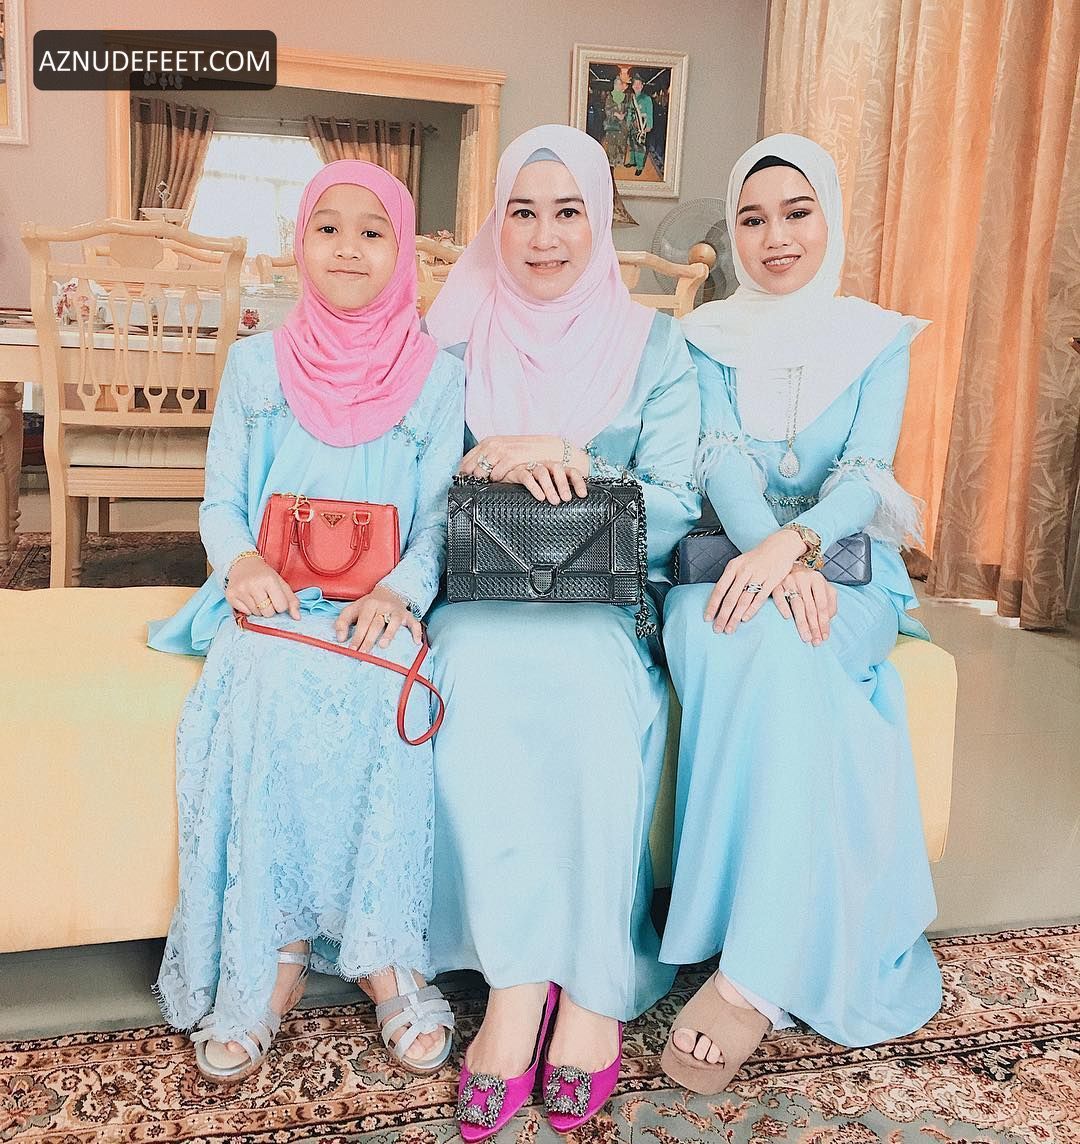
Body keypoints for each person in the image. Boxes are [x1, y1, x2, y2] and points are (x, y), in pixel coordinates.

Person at [147, 160, 464, 1083]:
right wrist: (242, 564)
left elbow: (440, 520)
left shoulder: (438, 378)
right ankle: (273, 954)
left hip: (381, 600)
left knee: (394, 682)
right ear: (299, 244)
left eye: (373, 231)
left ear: (403, 252)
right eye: (328, 228)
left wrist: (400, 593)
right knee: (273, 679)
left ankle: (384, 955)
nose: (349, 249)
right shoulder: (255, 365)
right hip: (274, 603)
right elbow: (218, 504)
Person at [424, 124, 699, 1137]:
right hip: (478, 600)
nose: (544, 237)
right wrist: (482, 460)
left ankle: (590, 985)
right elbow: (415, 485)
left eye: (568, 212)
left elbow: (681, 497)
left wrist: (575, 460)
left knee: (586, 686)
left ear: (600, 221)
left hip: (602, 607)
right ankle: (513, 986)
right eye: (523, 212)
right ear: (498, 224)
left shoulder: (656, 346)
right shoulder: (454, 344)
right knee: (470, 677)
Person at [659, 133, 942, 1094]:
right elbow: (719, 460)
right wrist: (771, 554)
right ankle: (757, 932)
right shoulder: (704, 336)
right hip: (725, 567)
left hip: (846, 572)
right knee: (735, 638)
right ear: (734, 234)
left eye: (796, 213)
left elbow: (866, 472)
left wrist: (799, 545)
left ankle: (752, 977)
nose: (775, 237)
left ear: (830, 218)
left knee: (798, 649)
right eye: (753, 219)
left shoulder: (878, 337)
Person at [628, 76, 654, 176]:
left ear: (642, 86)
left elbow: (649, 113)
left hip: (642, 125)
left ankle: (639, 167)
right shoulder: (632, 98)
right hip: (632, 125)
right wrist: (628, 122)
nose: (637, 86)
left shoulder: (646, 98)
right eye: (635, 84)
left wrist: (649, 125)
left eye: (639, 84)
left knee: (639, 146)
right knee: (632, 144)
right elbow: (630, 111)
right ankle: (632, 161)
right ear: (632, 86)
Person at [602, 76, 630, 168]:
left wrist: (624, 114)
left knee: (622, 143)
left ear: (622, 85)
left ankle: (620, 161)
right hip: (612, 124)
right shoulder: (610, 96)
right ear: (614, 85)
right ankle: (611, 161)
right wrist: (616, 114)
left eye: (620, 84)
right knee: (612, 144)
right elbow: (607, 109)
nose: (618, 86)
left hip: (622, 125)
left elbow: (628, 109)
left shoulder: (625, 97)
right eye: (616, 84)